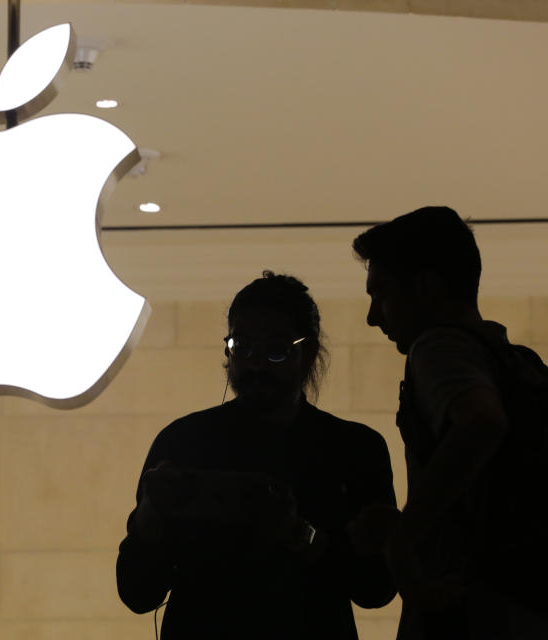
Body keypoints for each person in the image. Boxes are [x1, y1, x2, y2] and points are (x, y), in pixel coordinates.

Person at [116, 271, 397, 639]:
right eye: (242, 347)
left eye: (275, 350)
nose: (256, 364)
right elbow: (137, 591)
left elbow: (378, 586)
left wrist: (301, 536)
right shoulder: (181, 443)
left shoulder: (355, 450)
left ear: (308, 352)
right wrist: (151, 517)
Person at [351, 206, 548, 638]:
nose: (373, 316)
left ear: (425, 286)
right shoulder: (516, 362)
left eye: (380, 293)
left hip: (470, 608)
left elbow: (481, 423)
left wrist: (402, 543)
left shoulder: (438, 346)